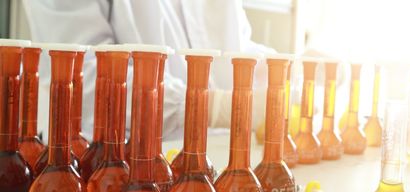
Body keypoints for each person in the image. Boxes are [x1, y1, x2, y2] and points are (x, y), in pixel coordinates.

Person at [22, 0, 275, 139]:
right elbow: (80, 75)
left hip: (219, 162)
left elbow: (238, 46)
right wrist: (210, 107)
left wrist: (288, 76)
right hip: (119, 172)